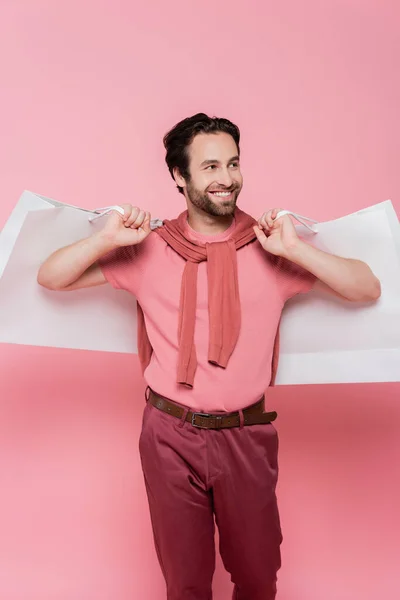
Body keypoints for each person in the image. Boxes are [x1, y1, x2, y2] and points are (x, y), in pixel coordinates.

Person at [37, 113, 381, 600]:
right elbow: (52, 277)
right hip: (168, 434)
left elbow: (366, 287)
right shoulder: (149, 248)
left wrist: (297, 251)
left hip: (246, 433)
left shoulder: (271, 246)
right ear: (180, 176)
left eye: (234, 164)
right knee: (186, 583)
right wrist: (105, 239)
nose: (226, 178)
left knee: (259, 577)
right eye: (211, 166)